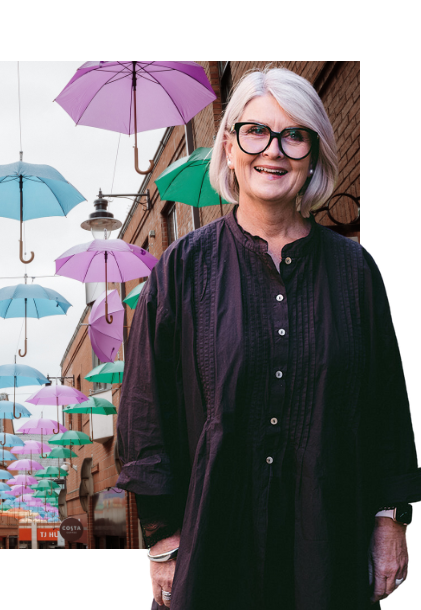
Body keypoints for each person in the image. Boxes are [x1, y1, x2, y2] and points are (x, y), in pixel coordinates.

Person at [115, 67, 420, 609]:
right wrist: (162, 541)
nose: (273, 151)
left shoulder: (354, 271)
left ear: (314, 153)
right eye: (255, 131)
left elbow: (386, 407)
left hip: (329, 546)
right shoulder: (182, 269)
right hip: (213, 545)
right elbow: (145, 414)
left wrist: (390, 520)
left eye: (294, 135)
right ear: (229, 147)